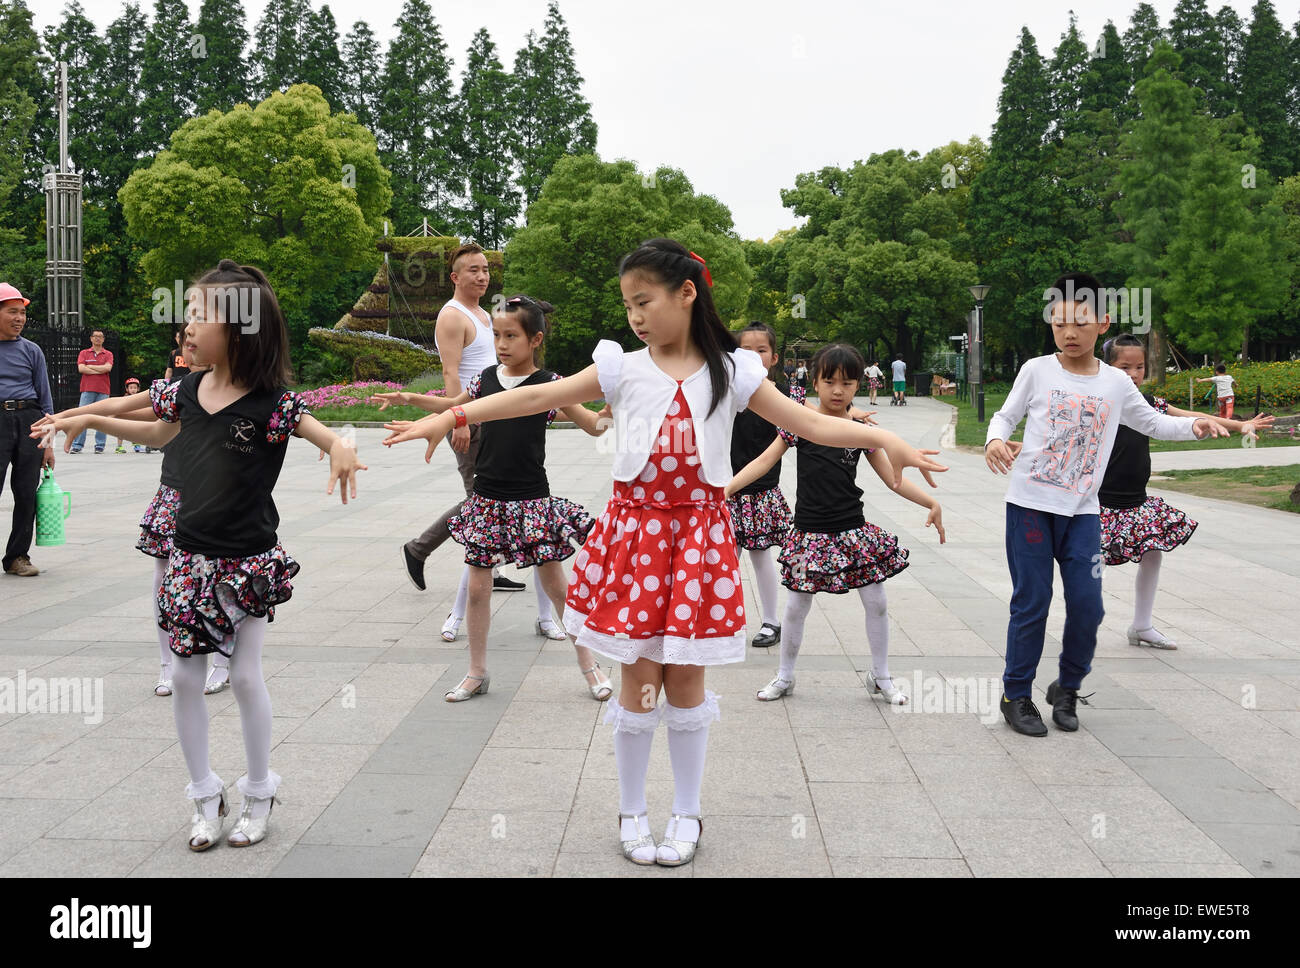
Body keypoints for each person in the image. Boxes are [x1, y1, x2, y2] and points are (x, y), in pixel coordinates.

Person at [383, 238, 947, 866]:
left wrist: (890, 436)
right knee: (639, 678)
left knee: (685, 681)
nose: (636, 316)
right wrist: (449, 418)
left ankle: (685, 812)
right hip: (637, 539)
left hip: (700, 541)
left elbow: (812, 424)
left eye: (644, 300)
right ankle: (632, 811)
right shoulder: (622, 367)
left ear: (687, 293)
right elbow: (534, 396)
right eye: (628, 305)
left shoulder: (734, 370)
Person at [39, 260, 366, 850]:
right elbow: (154, 431)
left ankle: (260, 789)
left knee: (242, 674)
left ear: (241, 328)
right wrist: (88, 415)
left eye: (199, 315)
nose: (186, 327)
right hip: (189, 559)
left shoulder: (274, 403)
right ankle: (203, 793)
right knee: (187, 679)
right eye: (187, 314)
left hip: (247, 561)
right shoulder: (187, 390)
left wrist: (342, 449)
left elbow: (325, 433)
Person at [984, 272, 1226, 738]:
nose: (1069, 333)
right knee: (1032, 602)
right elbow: (1005, 414)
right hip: (1030, 508)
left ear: (1103, 322)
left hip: (1083, 515)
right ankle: (1017, 695)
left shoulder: (1116, 382)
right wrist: (996, 438)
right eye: (1059, 324)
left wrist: (1192, 425)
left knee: (1089, 606)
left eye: (1079, 322)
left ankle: (1068, 687)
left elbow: (1151, 423)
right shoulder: (1037, 369)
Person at [382, 295, 616, 701]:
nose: (502, 344)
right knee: (477, 590)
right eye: (497, 335)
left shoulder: (552, 386)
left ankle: (590, 666)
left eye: (512, 335)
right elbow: (454, 408)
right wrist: (412, 404)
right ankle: (476, 673)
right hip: (487, 501)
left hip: (532, 502)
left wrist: (616, 398)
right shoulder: (484, 380)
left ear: (535, 339)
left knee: (559, 588)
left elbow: (596, 427)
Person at [728, 343, 944, 705]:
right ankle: (785, 676)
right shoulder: (797, 426)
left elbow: (894, 479)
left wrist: (931, 501)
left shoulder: (862, 432)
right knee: (796, 607)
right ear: (815, 382)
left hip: (853, 533)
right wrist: (726, 490)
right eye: (829, 381)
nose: (838, 390)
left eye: (847, 382)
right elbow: (764, 462)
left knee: (876, 601)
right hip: (807, 535)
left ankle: (881, 676)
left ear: (859, 385)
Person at [36, 361, 235, 697]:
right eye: (187, 336)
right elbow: (120, 405)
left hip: (218, 497)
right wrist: (68, 415)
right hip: (175, 491)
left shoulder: (236, 390)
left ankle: (221, 663)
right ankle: (168, 665)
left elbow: (279, 416)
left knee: (215, 580)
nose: (192, 343)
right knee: (164, 579)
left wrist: (332, 443)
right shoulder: (178, 391)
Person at [399, 243, 549, 639]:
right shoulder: (453, 316)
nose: (481, 276)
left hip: (492, 415)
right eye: (472, 271)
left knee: (487, 497)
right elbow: (452, 373)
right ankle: (420, 549)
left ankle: (488, 567)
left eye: (485, 270)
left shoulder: (484, 314)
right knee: (483, 499)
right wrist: (459, 421)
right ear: (455, 277)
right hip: (469, 417)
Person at [1100, 335, 1274, 650]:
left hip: (1135, 501)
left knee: (1153, 553)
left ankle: (1141, 625)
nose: (1133, 373)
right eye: (1124, 366)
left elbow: (1190, 418)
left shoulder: (1150, 403)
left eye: (1139, 366)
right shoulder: (1098, 402)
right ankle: (1080, 623)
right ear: (1107, 367)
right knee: (1086, 565)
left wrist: (1240, 426)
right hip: (1097, 504)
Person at [728, 323, 792, 649]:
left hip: (761, 491)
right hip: (725, 489)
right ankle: (724, 619)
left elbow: (810, 413)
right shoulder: (726, 392)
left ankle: (771, 620)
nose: (753, 356)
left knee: (759, 554)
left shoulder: (780, 395)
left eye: (761, 350)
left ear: (774, 357)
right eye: (745, 351)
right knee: (724, 558)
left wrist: (852, 414)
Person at [0, 283, 54, 577]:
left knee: (26, 493)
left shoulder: (32, 351)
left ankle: (17, 556)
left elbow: (45, 398)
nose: (19, 318)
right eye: (12, 312)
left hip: (29, 421)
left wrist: (48, 443)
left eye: (22, 313)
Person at [71, 329, 113, 453]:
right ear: (91, 338)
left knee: (102, 417)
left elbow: (108, 368)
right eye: (95, 336)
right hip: (87, 388)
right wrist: (100, 369)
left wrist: (89, 367)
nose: (98, 338)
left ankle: (100, 445)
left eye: (100, 336)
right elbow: (81, 369)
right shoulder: (84, 353)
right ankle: (77, 445)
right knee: (81, 416)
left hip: (103, 389)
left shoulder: (108, 354)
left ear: (104, 339)